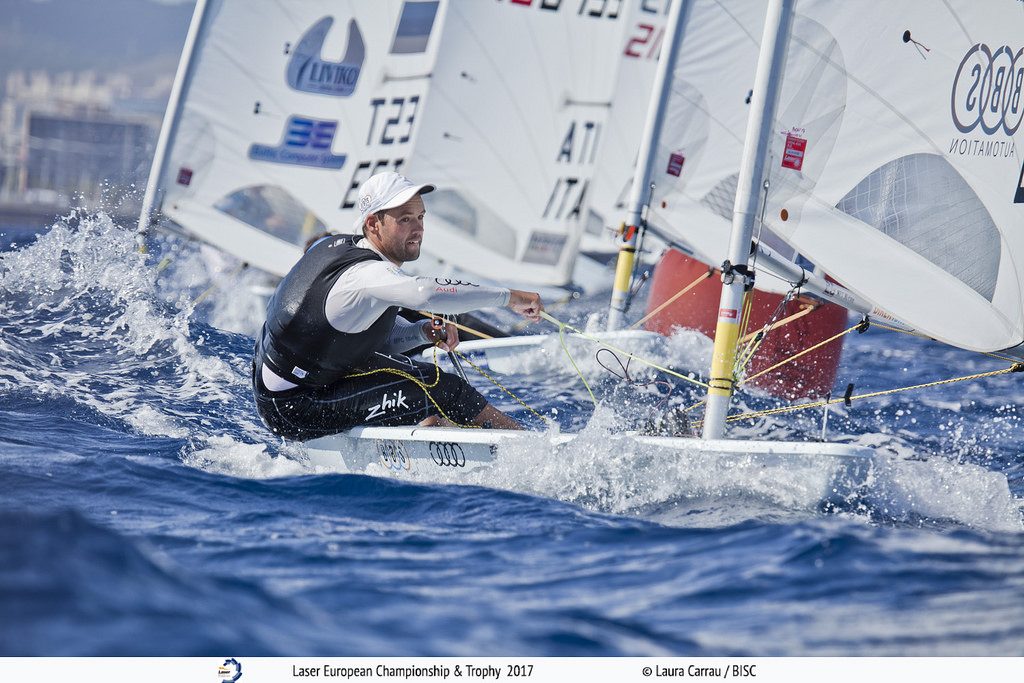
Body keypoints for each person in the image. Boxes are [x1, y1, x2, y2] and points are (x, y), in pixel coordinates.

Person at [252, 172, 544, 440]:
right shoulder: (366, 275)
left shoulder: (344, 249)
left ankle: (435, 430)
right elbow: (424, 293)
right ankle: (531, 452)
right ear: (373, 224)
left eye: (420, 217)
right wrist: (510, 297)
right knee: (444, 389)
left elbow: (359, 338)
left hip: (309, 381)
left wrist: (421, 333)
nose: (418, 229)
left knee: (422, 380)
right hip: (295, 408)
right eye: (405, 220)